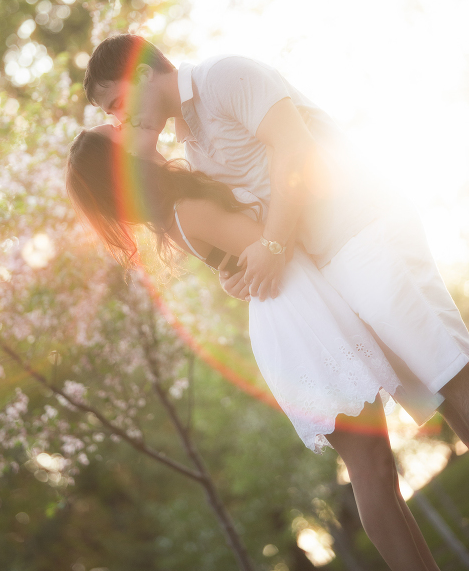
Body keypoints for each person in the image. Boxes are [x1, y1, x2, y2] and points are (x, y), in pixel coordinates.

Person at [74, 32, 469, 568]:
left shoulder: (225, 77)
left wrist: (266, 249)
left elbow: (295, 151)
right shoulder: (188, 157)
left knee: (446, 375)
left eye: (117, 105)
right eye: (112, 119)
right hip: (319, 291)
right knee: (410, 422)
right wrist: (245, 261)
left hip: (359, 233)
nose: (123, 121)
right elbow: (243, 233)